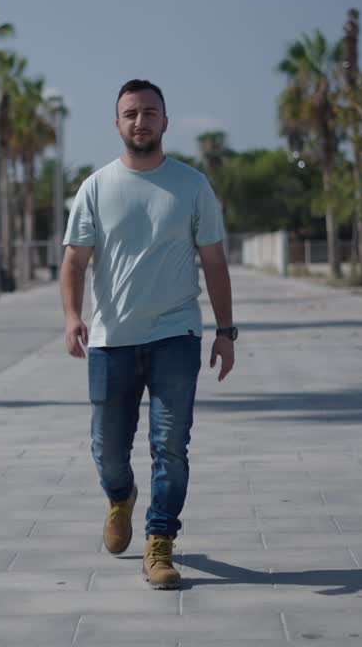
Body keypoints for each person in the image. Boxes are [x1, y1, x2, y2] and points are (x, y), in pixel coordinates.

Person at [59, 78, 237, 590]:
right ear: (118, 123)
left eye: (150, 112)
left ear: (165, 121)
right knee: (107, 450)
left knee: (171, 445)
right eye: (131, 113)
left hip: (175, 337)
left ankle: (159, 541)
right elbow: (74, 261)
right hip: (112, 341)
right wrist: (73, 317)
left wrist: (226, 331)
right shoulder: (96, 187)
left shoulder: (192, 185)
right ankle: (120, 497)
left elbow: (214, 262)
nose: (141, 121)